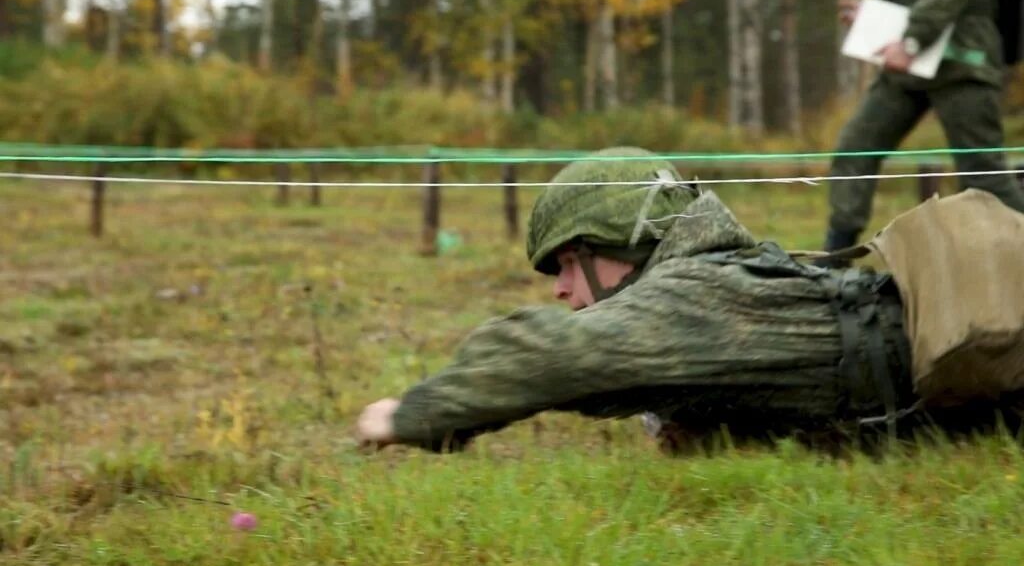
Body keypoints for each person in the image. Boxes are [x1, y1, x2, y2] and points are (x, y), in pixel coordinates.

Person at [355, 148, 925, 454]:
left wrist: (411, 414)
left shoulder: (697, 294)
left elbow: (550, 353)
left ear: (621, 246)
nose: (559, 288)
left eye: (569, 263)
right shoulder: (719, 280)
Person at [822, 0, 1024, 260]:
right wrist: (876, 18)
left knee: (984, 175)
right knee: (856, 148)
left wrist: (914, 39)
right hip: (911, 59)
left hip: (960, 57)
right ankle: (831, 267)